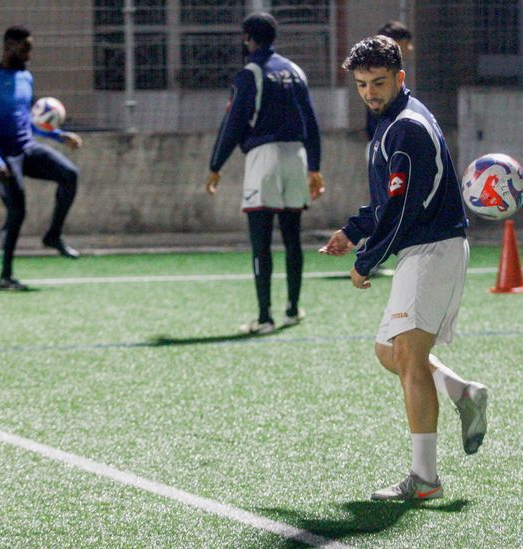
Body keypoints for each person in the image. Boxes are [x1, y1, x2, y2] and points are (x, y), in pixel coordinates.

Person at [321, 35, 488, 501]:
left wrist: (366, 260)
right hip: (423, 250)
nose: (369, 93)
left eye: (378, 83)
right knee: (387, 352)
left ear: (400, 78)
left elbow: (401, 209)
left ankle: (425, 479)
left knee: (410, 361)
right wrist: (353, 231)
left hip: (431, 250)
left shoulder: (407, 129)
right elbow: (384, 202)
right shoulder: (390, 123)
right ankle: (462, 392)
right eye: (361, 85)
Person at [206, 12, 325, 334]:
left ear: (248, 38)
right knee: (292, 238)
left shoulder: (251, 73)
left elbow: (233, 124)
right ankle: (291, 309)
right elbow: (312, 123)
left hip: (264, 158)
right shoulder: (295, 71)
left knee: (261, 241)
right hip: (296, 156)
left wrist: (215, 166)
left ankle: (264, 318)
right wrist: (315, 167)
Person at [0, 26, 83, 291]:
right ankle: (5, 276)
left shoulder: (26, 77)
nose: (30, 53)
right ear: (10, 47)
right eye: (26, 48)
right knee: (17, 211)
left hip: (27, 149)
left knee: (70, 175)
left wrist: (59, 135)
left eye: (31, 47)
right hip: (3, 156)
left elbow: (30, 122)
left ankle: (53, 235)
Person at [365, 21, 414, 140]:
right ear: (395, 45)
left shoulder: (387, 71)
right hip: (385, 142)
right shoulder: (382, 75)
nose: (411, 48)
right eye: (406, 43)